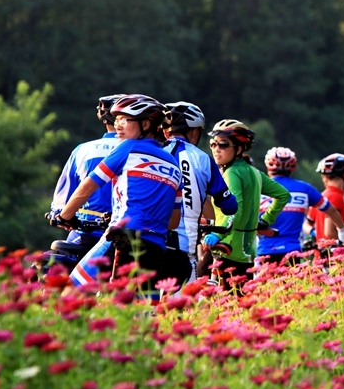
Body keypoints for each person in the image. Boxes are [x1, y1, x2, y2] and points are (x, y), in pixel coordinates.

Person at [54, 94, 183, 299]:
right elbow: (173, 221)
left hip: (122, 238)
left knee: (70, 293)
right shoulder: (173, 165)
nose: (118, 125)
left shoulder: (128, 148)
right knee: (141, 314)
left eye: (125, 119)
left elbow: (89, 185)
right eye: (116, 119)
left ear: (146, 123)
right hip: (155, 247)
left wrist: (64, 215)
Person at [202, 120, 290, 289]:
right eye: (213, 144)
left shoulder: (231, 173)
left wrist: (218, 235)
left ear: (240, 148)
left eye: (223, 144)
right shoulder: (255, 172)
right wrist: (266, 220)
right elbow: (283, 195)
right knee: (240, 305)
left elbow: (235, 207)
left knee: (197, 292)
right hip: (247, 253)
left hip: (226, 249)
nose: (216, 149)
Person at [160, 102, 238, 284]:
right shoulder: (203, 159)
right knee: (184, 306)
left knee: (148, 302)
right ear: (194, 132)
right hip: (183, 246)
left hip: (149, 241)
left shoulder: (153, 153)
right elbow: (229, 206)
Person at [49, 95, 123, 245]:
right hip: (124, 233)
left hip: (85, 232)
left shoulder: (83, 149)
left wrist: (58, 214)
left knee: (54, 263)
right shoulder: (141, 152)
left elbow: (61, 202)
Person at [257, 147, 344, 264]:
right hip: (292, 251)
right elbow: (331, 210)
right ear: (292, 167)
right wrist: (342, 229)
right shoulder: (304, 189)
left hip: (264, 251)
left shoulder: (258, 188)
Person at [306, 153, 344, 244]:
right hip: (335, 254)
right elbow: (329, 232)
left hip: (324, 253)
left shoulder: (322, 196)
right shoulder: (335, 196)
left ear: (325, 177)